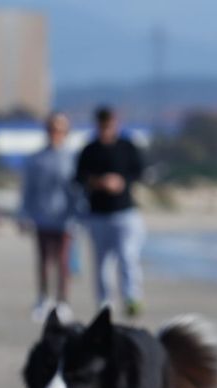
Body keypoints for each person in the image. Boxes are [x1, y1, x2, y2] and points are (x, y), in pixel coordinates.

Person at [75, 105, 147, 319]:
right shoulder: (89, 150)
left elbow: (139, 172)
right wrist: (97, 182)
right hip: (97, 214)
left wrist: (121, 182)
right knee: (102, 262)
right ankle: (105, 303)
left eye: (110, 124)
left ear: (116, 123)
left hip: (125, 212)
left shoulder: (127, 146)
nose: (106, 128)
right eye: (103, 124)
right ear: (98, 125)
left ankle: (132, 297)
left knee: (128, 255)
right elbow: (78, 177)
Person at [18, 111, 79, 323]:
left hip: (65, 218)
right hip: (42, 216)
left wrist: (79, 213)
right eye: (53, 129)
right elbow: (28, 190)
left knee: (63, 261)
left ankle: (63, 302)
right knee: (44, 260)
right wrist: (24, 214)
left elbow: (78, 190)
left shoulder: (73, 158)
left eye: (61, 130)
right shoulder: (36, 159)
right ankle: (44, 298)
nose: (56, 134)